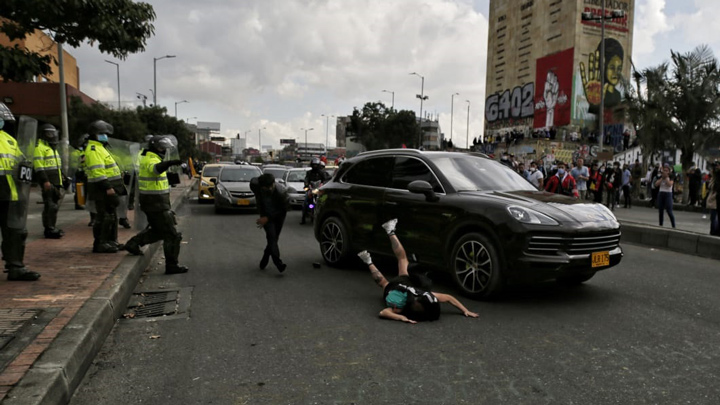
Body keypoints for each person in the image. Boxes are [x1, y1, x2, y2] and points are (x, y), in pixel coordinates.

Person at [357, 219, 478, 323]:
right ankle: (368, 260)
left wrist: (465, 310)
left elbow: (448, 298)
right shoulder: (402, 307)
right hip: (391, 289)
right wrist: (401, 317)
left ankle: (390, 232)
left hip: (402, 283)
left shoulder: (420, 296)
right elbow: (384, 312)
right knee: (383, 282)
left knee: (402, 259)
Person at [121, 136, 188, 274]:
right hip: (155, 203)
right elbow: (155, 170)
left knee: (159, 231)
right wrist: (170, 163)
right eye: (161, 148)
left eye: (164, 148)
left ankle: (133, 244)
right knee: (172, 235)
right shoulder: (150, 158)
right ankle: (171, 265)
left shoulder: (153, 157)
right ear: (154, 147)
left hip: (156, 201)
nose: (163, 150)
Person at [0, 104, 41, 281]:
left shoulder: (9, 140)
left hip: (10, 195)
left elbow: (23, 164)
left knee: (15, 232)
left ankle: (16, 267)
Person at [84, 120, 126, 253]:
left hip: (110, 187)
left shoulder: (101, 148)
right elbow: (98, 172)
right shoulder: (94, 149)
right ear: (94, 135)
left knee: (112, 216)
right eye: (102, 134)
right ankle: (100, 243)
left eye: (106, 134)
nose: (105, 136)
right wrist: (108, 187)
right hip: (102, 189)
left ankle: (111, 241)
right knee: (104, 217)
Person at [251, 173, 289, 273]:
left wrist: (267, 218)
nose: (268, 190)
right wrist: (265, 217)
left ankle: (265, 257)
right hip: (265, 214)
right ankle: (278, 264)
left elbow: (284, 209)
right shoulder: (255, 185)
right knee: (271, 237)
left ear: (273, 184)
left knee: (274, 239)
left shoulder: (281, 192)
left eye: (270, 187)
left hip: (279, 215)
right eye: (265, 188)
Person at [33, 124, 66, 238]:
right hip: (48, 182)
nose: (52, 136)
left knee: (54, 206)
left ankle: (52, 227)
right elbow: (39, 167)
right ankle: (49, 229)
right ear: (43, 134)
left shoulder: (53, 149)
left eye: (53, 133)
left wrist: (62, 177)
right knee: (50, 206)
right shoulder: (39, 148)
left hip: (56, 181)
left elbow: (56, 166)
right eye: (49, 133)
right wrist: (45, 181)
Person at [301, 157, 330, 225]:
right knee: (306, 200)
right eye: (314, 165)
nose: (315, 166)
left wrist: (325, 185)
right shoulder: (309, 173)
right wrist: (306, 185)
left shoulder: (322, 173)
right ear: (311, 165)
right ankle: (303, 218)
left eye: (316, 165)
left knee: (325, 199)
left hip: (319, 190)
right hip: (311, 189)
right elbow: (306, 179)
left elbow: (325, 179)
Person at [655, 164, 676, 228]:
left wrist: (666, 178)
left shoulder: (671, 176)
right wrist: (662, 178)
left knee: (669, 210)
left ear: (669, 171)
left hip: (668, 193)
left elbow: (670, 184)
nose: (665, 172)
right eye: (664, 170)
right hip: (661, 193)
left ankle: (673, 225)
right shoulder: (660, 177)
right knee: (660, 210)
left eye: (666, 171)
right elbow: (656, 184)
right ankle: (660, 224)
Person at [707, 163, 718, 236]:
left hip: (715, 200)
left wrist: (713, 197)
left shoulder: (717, 179)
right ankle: (713, 232)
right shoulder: (713, 178)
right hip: (713, 200)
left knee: (714, 218)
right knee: (712, 217)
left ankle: (714, 232)